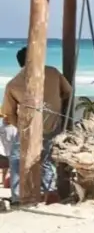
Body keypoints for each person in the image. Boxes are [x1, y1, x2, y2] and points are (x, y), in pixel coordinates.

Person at [1, 46, 73, 204]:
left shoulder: (13, 83)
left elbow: (8, 113)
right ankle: (49, 192)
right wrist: (55, 104)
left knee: (16, 159)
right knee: (47, 160)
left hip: (28, 128)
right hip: (53, 125)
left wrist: (20, 127)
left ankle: (18, 196)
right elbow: (68, 91)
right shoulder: (53, 72)